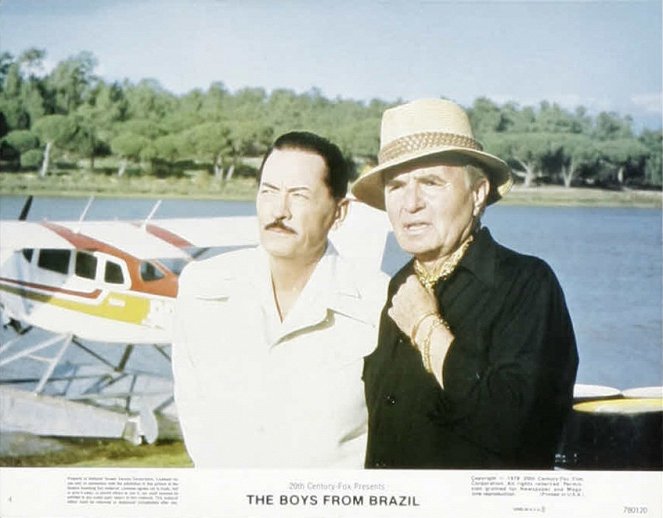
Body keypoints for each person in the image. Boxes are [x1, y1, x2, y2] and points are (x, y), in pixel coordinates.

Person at [352, 98, 578, 469]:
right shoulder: (400, 287)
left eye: (430, 182)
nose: (411, 204)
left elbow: (516, 429)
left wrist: (427, 328)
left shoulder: (526, 284)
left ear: (477, 195)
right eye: (396, 186)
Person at [172, 131, 388, 468]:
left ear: (339, 212)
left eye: (300, 196)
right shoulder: (202, 287)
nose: (279, 210)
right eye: (268, 191)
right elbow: (193, 412)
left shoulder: (381, 303)